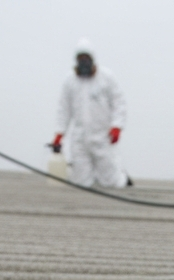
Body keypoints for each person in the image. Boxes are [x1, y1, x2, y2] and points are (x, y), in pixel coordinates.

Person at [52, 40, 128, 189]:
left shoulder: (106, 77)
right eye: (80, 59)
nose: (83, 62)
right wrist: (59, 134)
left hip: (103, 137)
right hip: (79, 139)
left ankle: (123, 178)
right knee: (81, 183)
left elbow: (119, 103)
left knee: (111, 183)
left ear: (93, 59)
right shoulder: (70, 81)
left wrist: (117, 126)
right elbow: (63, 109)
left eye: (86, 58)